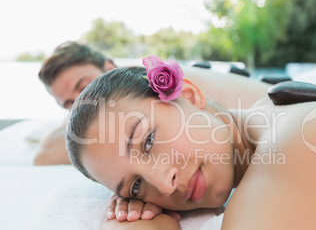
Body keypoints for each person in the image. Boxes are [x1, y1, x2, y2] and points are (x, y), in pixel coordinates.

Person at [66, 56, 316, 230]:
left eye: (149, 140)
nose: (163, 183)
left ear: (189, 94)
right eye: (136, 187)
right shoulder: (281, 111)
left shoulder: (297, 154)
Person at [35, 42, 269, 166]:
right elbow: (42, 157)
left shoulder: (163, 86)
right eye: (68, 104)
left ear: (109, 69)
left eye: (83, 87)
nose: (78, 104)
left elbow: (45, 152)